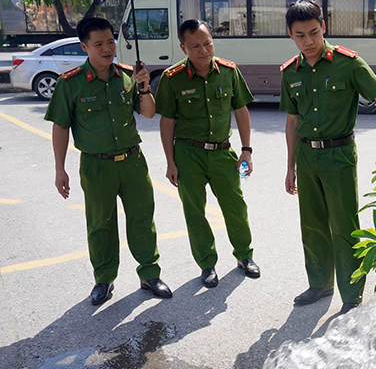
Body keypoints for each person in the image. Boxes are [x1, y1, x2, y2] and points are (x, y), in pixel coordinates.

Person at [280, 0, 376, 314]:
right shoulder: (291, 72)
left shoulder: (348, 63)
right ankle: (319, 284)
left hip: (338, 154)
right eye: (301, 35)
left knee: (344, 224)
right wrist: (289, 166)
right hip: (306, 155)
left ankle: (351, 294)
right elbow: (292, 121)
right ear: (290, 34)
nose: (309, 41)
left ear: (324, 27)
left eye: (314, 33)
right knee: (312, 223)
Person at [45, 17, 172, 306]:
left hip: (132, 162)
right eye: (99, 44)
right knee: (100, 224)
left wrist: (144, 87)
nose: (107, 49)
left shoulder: (129, 75)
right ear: (84, 47)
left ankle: (150, 275)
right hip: (96, 165)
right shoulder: (71, 84)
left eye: (111, 42)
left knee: (142, 219)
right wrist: (59, 168)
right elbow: (60, 127)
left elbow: (150, 114)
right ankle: (104, 279)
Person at [155, 19, 259, 288]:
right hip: (188, 154)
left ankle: (245, 256)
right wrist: (170, 162)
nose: (203, 50)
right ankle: (207, 264)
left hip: (223, 152)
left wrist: (246, 150)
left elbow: (241, 111)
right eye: (195, 46)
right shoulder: (172, 78)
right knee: (194, 211)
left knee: (235, 206)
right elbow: (167, 122)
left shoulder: (229, 71)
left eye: (207, 43)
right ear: (183, 48)